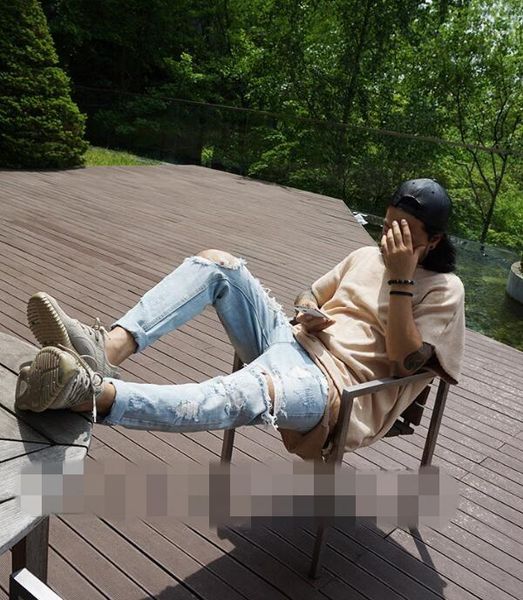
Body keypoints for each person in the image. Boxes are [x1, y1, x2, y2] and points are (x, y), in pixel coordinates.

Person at [15, 178, 465, 461]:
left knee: (242, 391)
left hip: (337, 391)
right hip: (294, 343)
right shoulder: (364, 255)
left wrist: (401, 278)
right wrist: (307, 311)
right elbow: (310, 293)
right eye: (387, 226)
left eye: (404, 233)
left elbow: (406, 363)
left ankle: (92, 395)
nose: (390, 240)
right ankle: (106, 350)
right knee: (217, 264)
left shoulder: (445, 290)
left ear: (434, 240)